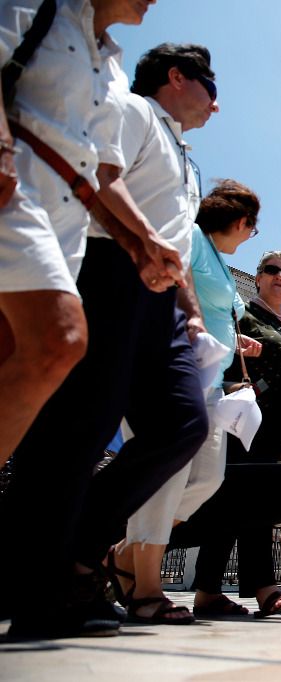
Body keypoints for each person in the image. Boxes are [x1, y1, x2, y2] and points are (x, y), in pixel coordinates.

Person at [0, 40, 218, 639]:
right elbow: (100, 179)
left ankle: (78, 550)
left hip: (159, 294)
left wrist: (190, 311)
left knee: (182, 426)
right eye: (211, 87)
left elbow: (178, 240)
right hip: (110, 266)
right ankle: (43, 580)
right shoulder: (131, 110)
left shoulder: (183, 153)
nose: (216, 105)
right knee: (82, 426)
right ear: (177, 77)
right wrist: (143, 243)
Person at [0, 0, 171, 470]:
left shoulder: (114, 69)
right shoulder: (39, 9)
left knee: (19, 353)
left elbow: (99, 172)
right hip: (16, 191)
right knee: (61, 338)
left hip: (66, 224)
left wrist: (137, 243)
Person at [107, 180, 262, 624]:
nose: (252, 235)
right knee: (169, 479)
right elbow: (180, 287)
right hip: (173, 371)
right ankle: (146, 588)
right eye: (252, 227)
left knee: (207, 479)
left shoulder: (221, 261)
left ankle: (122, 553)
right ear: (238, 222)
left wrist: (238, 341)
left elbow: (217, 313)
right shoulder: (191, 238)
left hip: (211, 384)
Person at [191, 251, 281, 618]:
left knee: (238, 503)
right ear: (258, 277)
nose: (280, 276)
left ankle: (208, 592)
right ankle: (264, 589)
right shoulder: (243, 313)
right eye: (271, 270)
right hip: (242, 420)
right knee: (245, 501)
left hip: (272, 427)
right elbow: (226, 358)